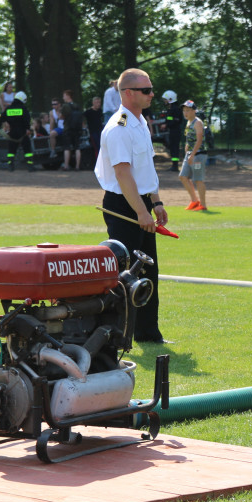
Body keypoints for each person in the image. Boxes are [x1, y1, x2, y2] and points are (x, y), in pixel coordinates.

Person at [94, 68, 168, 344]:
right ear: (127, 93)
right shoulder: (119, 127)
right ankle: (117, 336)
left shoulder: (140, 123)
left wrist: (156, 201)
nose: (152, 94)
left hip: (141, 202)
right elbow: (123, 174)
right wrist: (140, 212)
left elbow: (145, 168)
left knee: (148, 270)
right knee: (124, 276)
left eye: (151, 89)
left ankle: (148, 334)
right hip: (124, 206)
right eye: (146, 90)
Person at [0, 90, 34, 171]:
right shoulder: (23, 108)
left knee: (11, 150)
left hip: (12, 134)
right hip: (23, 134)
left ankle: (10, 166)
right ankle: (30, 166)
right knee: (27, 150)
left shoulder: (8, 109)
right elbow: (27, 120)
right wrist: (28, 129)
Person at [179, 100, 208, 211]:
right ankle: (195, 201)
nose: (185, 113)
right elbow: (190, 139)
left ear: (194, 111)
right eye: (184, 111)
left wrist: (192, 155)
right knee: (183, 176)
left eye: (188, 110)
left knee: (198, 179)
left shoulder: (198, 123)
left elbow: (199, 140)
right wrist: (187, 149)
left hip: (198, 156)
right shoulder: (189, 122)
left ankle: (203, 205)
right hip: (190, 154)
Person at [60, 90, 84, 171]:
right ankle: (77, 166)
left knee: (67, 148)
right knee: (77, 148)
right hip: (77, 129)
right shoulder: (77, 105)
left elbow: (62, 117)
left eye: (64, 95)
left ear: (68, 95)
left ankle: (66, 166)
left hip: (68, 128)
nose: (63, 97)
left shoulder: (65, 106)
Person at [160, 90, 183, 173]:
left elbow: (176, 120)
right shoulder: (171, 109)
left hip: (175, 131)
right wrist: (166, 124)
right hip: (172, 131)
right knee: (172, 148)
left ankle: (175, 166)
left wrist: (166, 125)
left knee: (175, 148)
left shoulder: (176, 109)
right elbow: (169, 119)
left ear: (170, 99)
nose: (164, 101)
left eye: (165, 99)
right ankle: (174, 165)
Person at [84, 96, 105, 168]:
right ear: (93, 103)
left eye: (99, 102)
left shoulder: (100, 111)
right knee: (96, 147)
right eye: (97, 102)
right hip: (93, 132)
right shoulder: (88, 112)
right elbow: (82, 118)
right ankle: (98, 163)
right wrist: (84, 126)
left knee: (101, 146)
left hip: (100, 131)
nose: (98, 104)